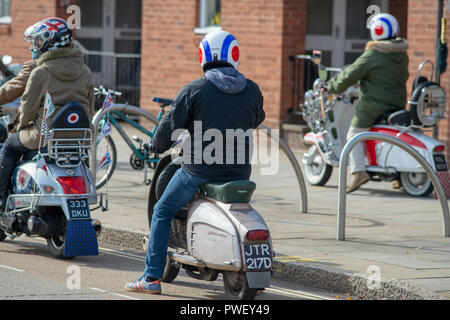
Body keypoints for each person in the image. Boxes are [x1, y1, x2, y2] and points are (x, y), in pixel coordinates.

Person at [124, 30, 265, 294]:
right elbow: (255, 119)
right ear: (234, 55)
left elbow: (168, 129)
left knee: (162, 211)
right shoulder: (252, 90)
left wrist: (154, 146)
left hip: (199, 170)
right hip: (239, 171)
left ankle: (151, 278)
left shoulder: (194, 90)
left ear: (202, 56)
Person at [0, 17, 95, 211]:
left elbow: (27, 108)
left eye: (38, 42)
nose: (33, 47)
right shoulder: (85, 70)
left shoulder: (41, 71)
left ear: (51, 42)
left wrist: (18, 127)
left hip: (44, 136)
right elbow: (90, 107)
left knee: (10, 145)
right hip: (79, 137)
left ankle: (1, 199)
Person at [326, 13, 409, 193]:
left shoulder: (373, 53)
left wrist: (331, 86)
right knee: (393, 137)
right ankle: (397, 176)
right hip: (398, 103)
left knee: (354, 133)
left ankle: (359, 172)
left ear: (377, 32)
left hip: (374, 105)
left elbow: (350, 74)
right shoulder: (401, 54)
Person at [0, 23, 40, 128]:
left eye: (35, 43)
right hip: (81, 133)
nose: (31, 48)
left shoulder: (34, 68)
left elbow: (9, 90)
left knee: (8, 143)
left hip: (40, 133)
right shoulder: (83, 70)